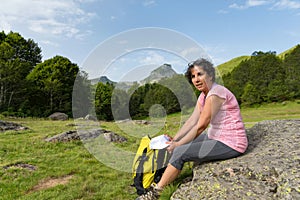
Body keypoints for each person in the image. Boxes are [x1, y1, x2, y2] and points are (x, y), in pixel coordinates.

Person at [136, 58, 248, 200]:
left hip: (231, 143)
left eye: (200, 74)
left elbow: (201, 125)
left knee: (181, 151)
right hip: (215, 137)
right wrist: (175, 139)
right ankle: (165, 177)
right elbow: (192, 120)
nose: (196, 79)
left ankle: (156, 192)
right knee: (178, 146)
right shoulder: (203, 95)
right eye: (193, 76)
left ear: (210, 75)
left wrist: (178, 144)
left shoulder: (216, 94)